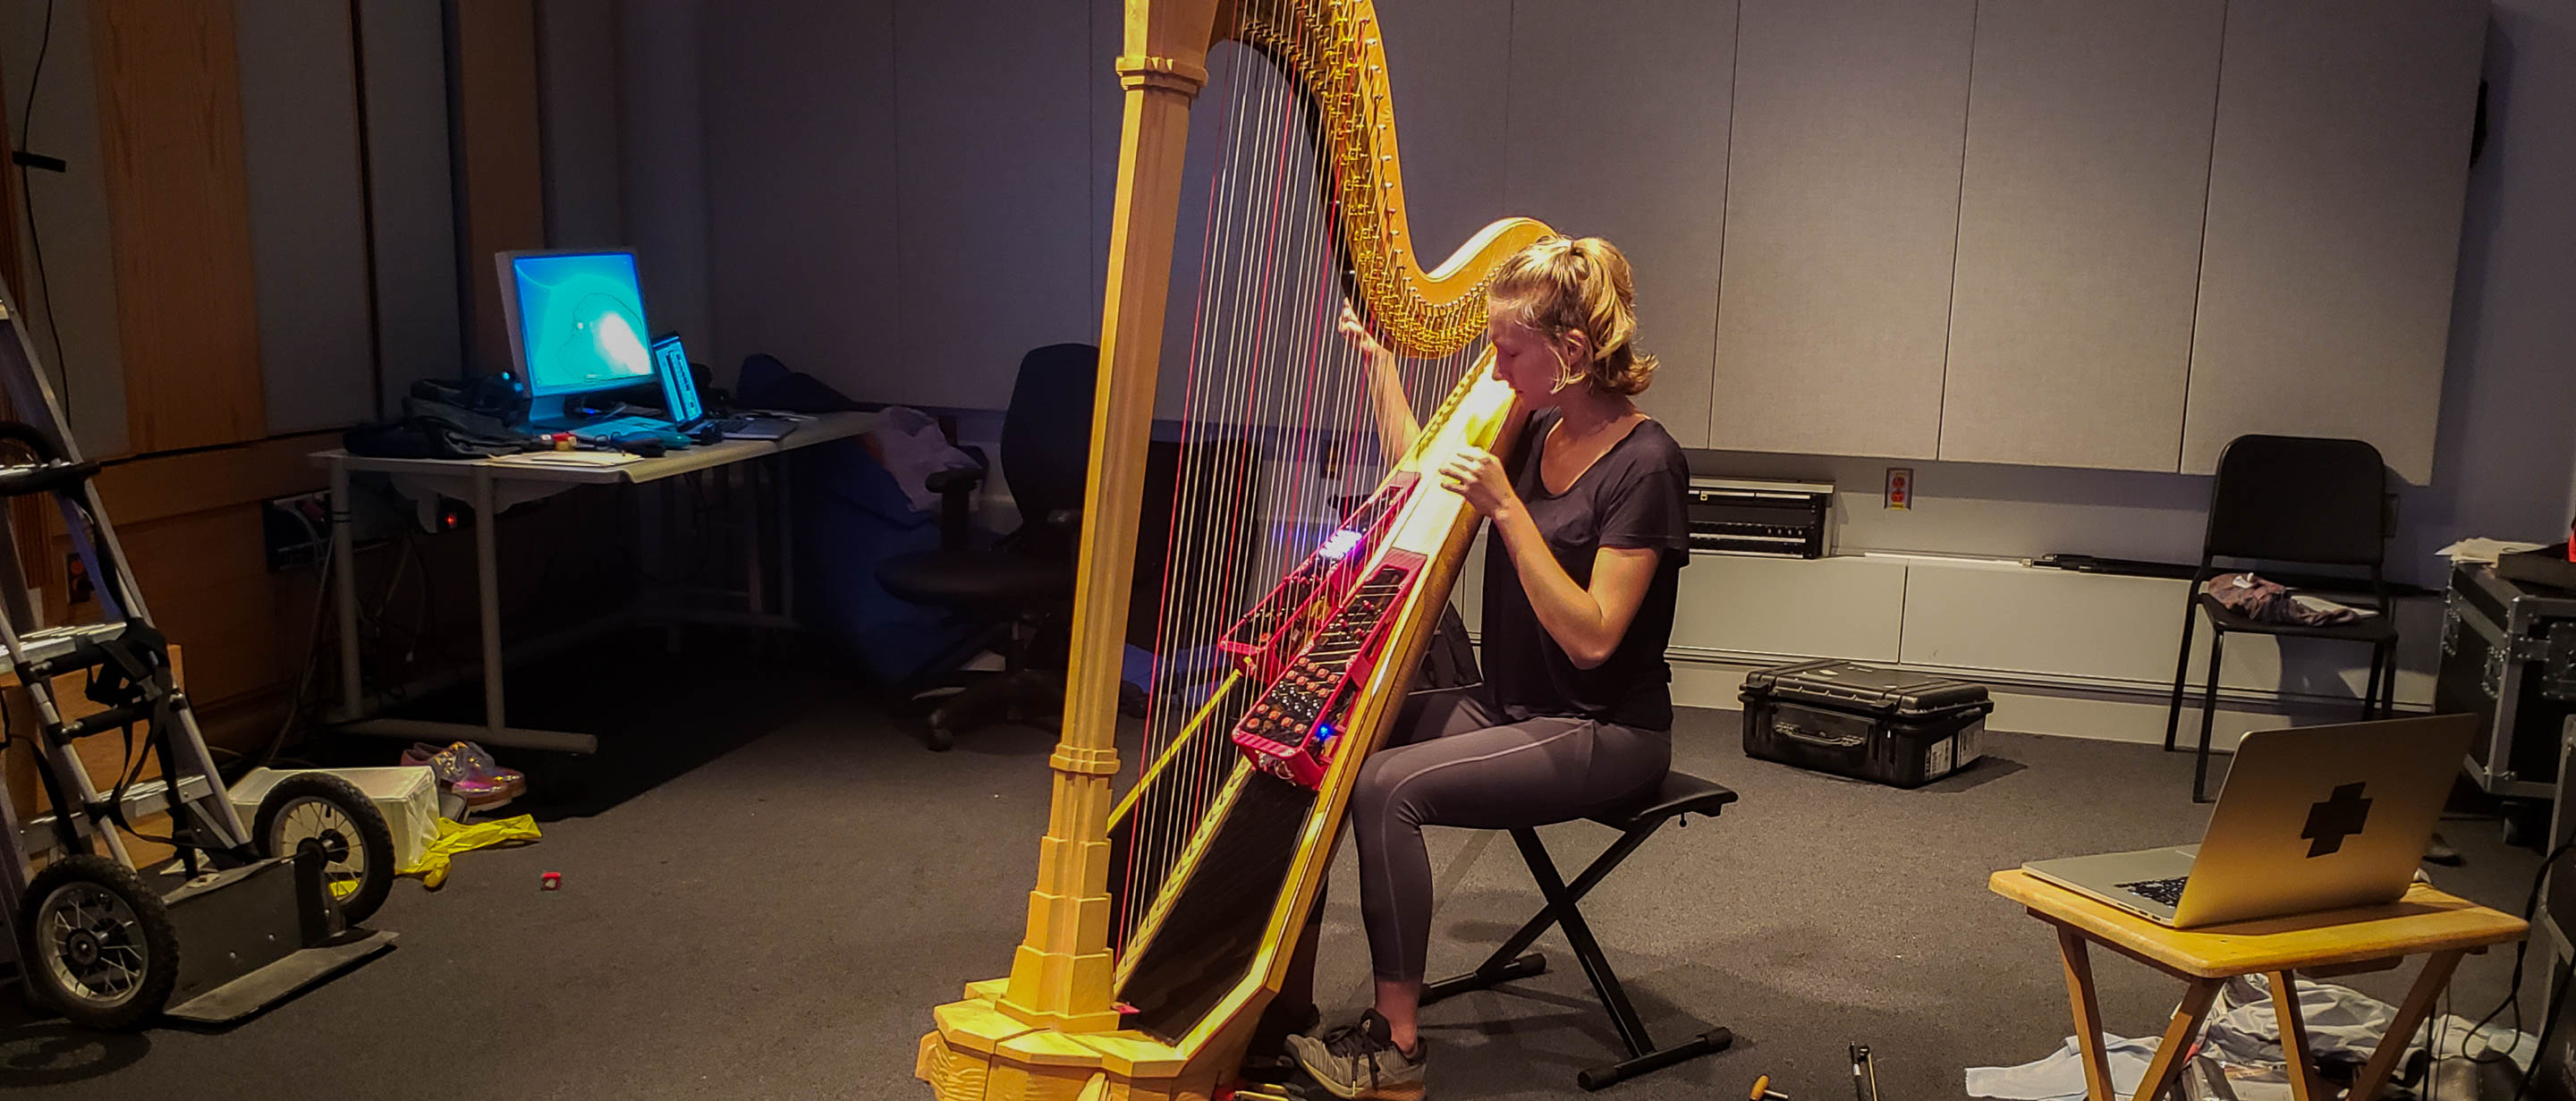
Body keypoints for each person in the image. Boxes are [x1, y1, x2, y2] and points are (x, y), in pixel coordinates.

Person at [1285, 235, 1691, 1099]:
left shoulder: (1647, 465)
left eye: (1508, 350)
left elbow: (1592, 638)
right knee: (1331, 730)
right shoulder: (1533, 426)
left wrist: (1509, 510)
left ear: (1571, 352)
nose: (1493, 366)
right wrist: (1384, 375)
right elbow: (1427, 479)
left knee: (1388, 788)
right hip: (1510, 705)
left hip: (1602, 727)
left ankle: (1397, 1048)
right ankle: (1276, 985)